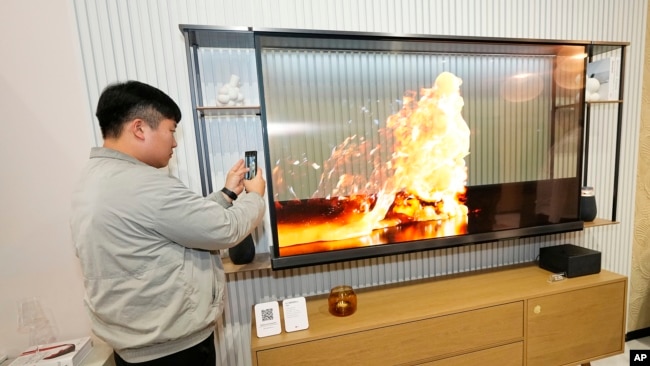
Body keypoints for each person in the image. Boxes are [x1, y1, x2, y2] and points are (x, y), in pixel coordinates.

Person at [70, 80, 266, 365]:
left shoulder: (94, 179)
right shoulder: (144, 185)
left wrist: (228, 194)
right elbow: (225, 230)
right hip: (171, 351)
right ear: (139, 128)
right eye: (171, 130)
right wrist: (255, 196)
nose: (174, 142)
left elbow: (181, 223)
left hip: (135, 345)